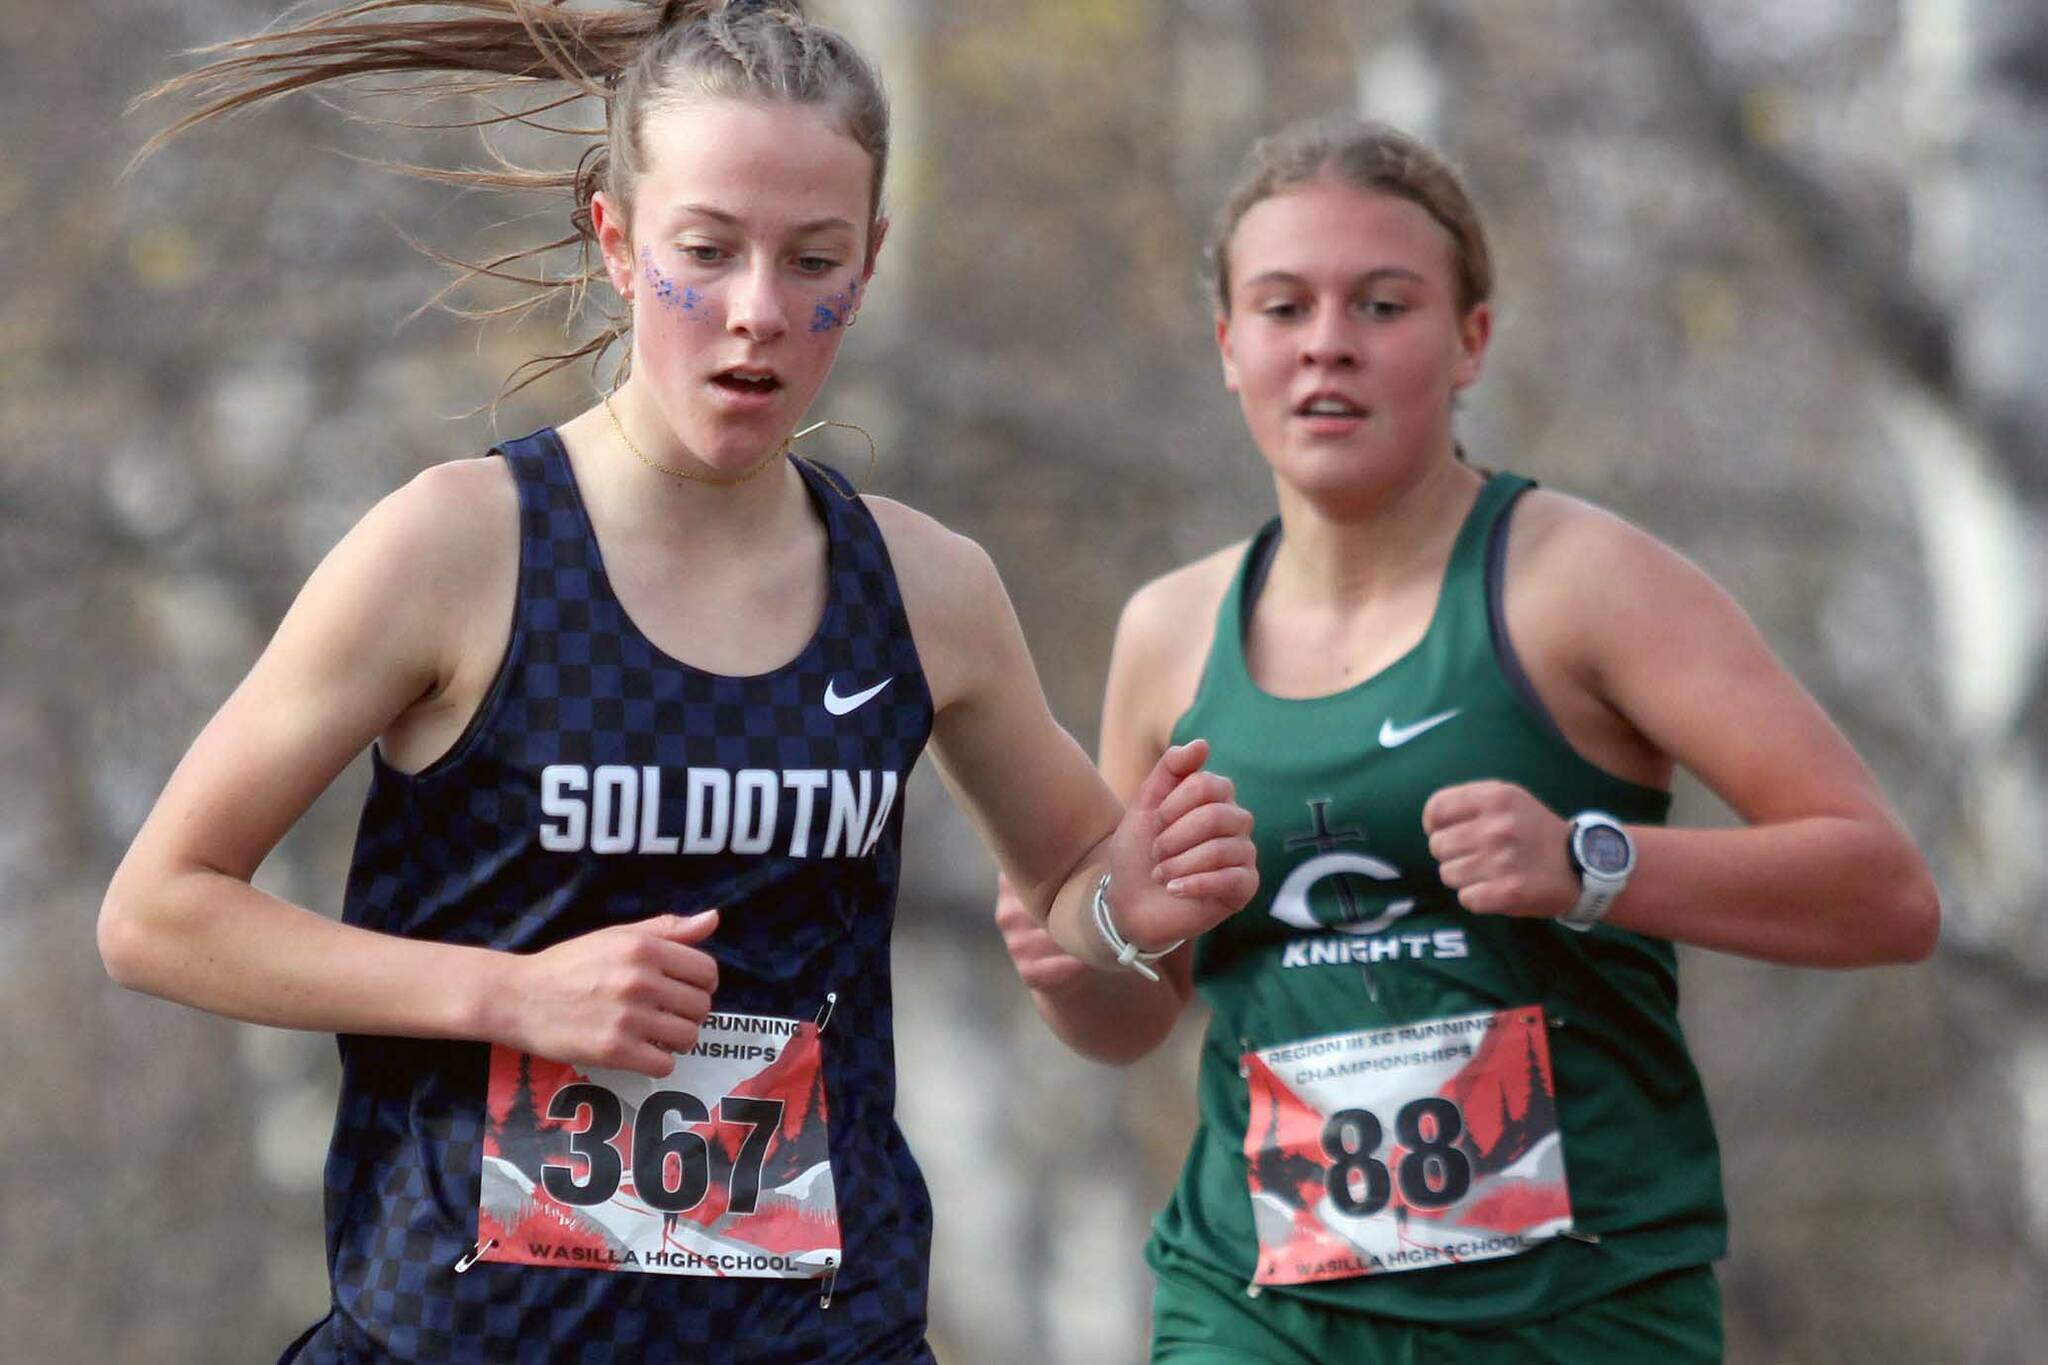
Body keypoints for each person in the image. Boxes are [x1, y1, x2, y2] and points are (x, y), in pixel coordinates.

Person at [97, 4, 1259, 1361]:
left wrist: (1134, 902)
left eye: (813, 257)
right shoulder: (460, 546)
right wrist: (509, 995)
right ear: (614, 238)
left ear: (869, 261)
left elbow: (1079, 887)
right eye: (706, 252)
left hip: (821, 1333)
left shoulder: (923, 588)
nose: (760, 311)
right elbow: (158, 914)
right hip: (476, 1334)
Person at [993, 115, 1940, 1363]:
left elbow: (1883, 891)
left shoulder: (1580, 581)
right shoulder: (1168, 634)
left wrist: (1591, 863)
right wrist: (1080, 963)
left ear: (1469, 340)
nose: (1327, 343)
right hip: (1257, 1306)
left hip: (1574, 1310)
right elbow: (1137, 1015)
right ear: (1229, 345)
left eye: (1380, 305)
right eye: (1281, 308)